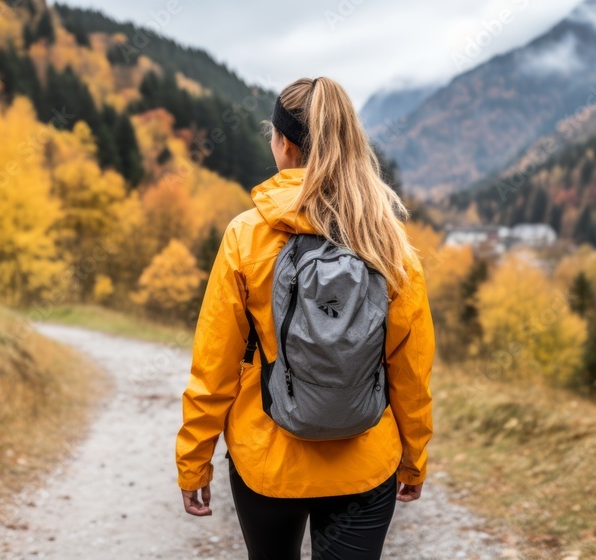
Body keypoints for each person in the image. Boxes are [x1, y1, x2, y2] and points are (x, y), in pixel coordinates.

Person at [175, 76, 435, 560]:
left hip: (268, 463)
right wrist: (413, 459)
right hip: (365, 460)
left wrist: (194, 461)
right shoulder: (388, 242)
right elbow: (410, 369)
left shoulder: (246, 236)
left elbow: (214, 366)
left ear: (284, 144)